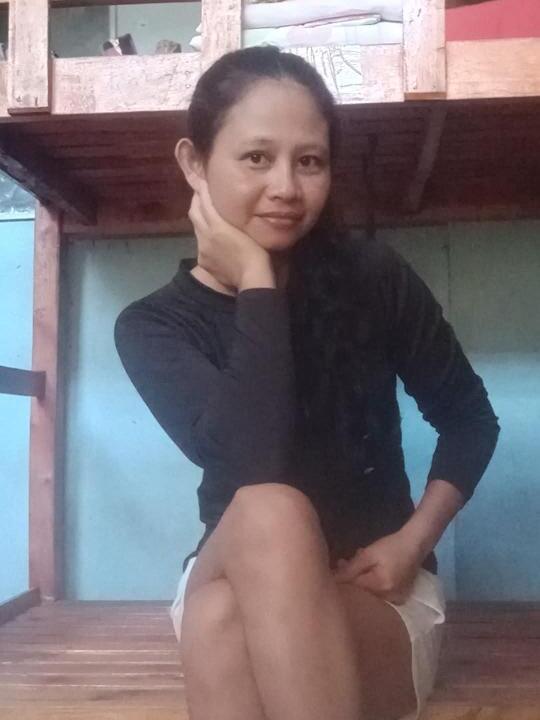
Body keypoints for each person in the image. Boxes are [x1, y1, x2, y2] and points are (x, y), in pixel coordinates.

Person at [114, 46, 499, 720]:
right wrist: (256, 281)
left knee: (222, 625)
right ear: (194, 163)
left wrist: (413, 543)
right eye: (256, 158)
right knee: (268, 508)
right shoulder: (154, 326)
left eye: (310, 161)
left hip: (376, 591)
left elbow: (469, 418)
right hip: (233, 566)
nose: (287, 187)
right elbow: (251, 459)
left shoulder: (371, 278)